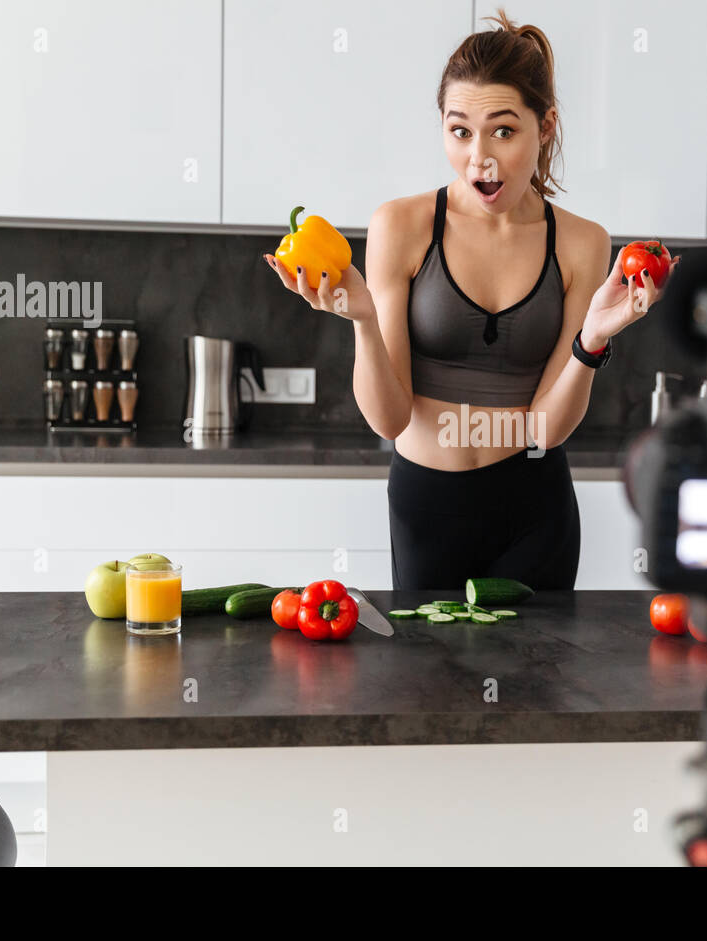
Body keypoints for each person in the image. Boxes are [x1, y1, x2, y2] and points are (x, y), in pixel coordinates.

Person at [266, 8, 678, 590]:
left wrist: (592, 341)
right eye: (460, 131)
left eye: (503, 131)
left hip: (534, 509)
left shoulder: (583, 243)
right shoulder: (402, 225)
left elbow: (545, 430)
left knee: (538, 680)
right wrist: (362, 321)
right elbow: (390, 418)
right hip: (426, 507)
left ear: (546, 126)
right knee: (426, 681)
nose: (478, 156)